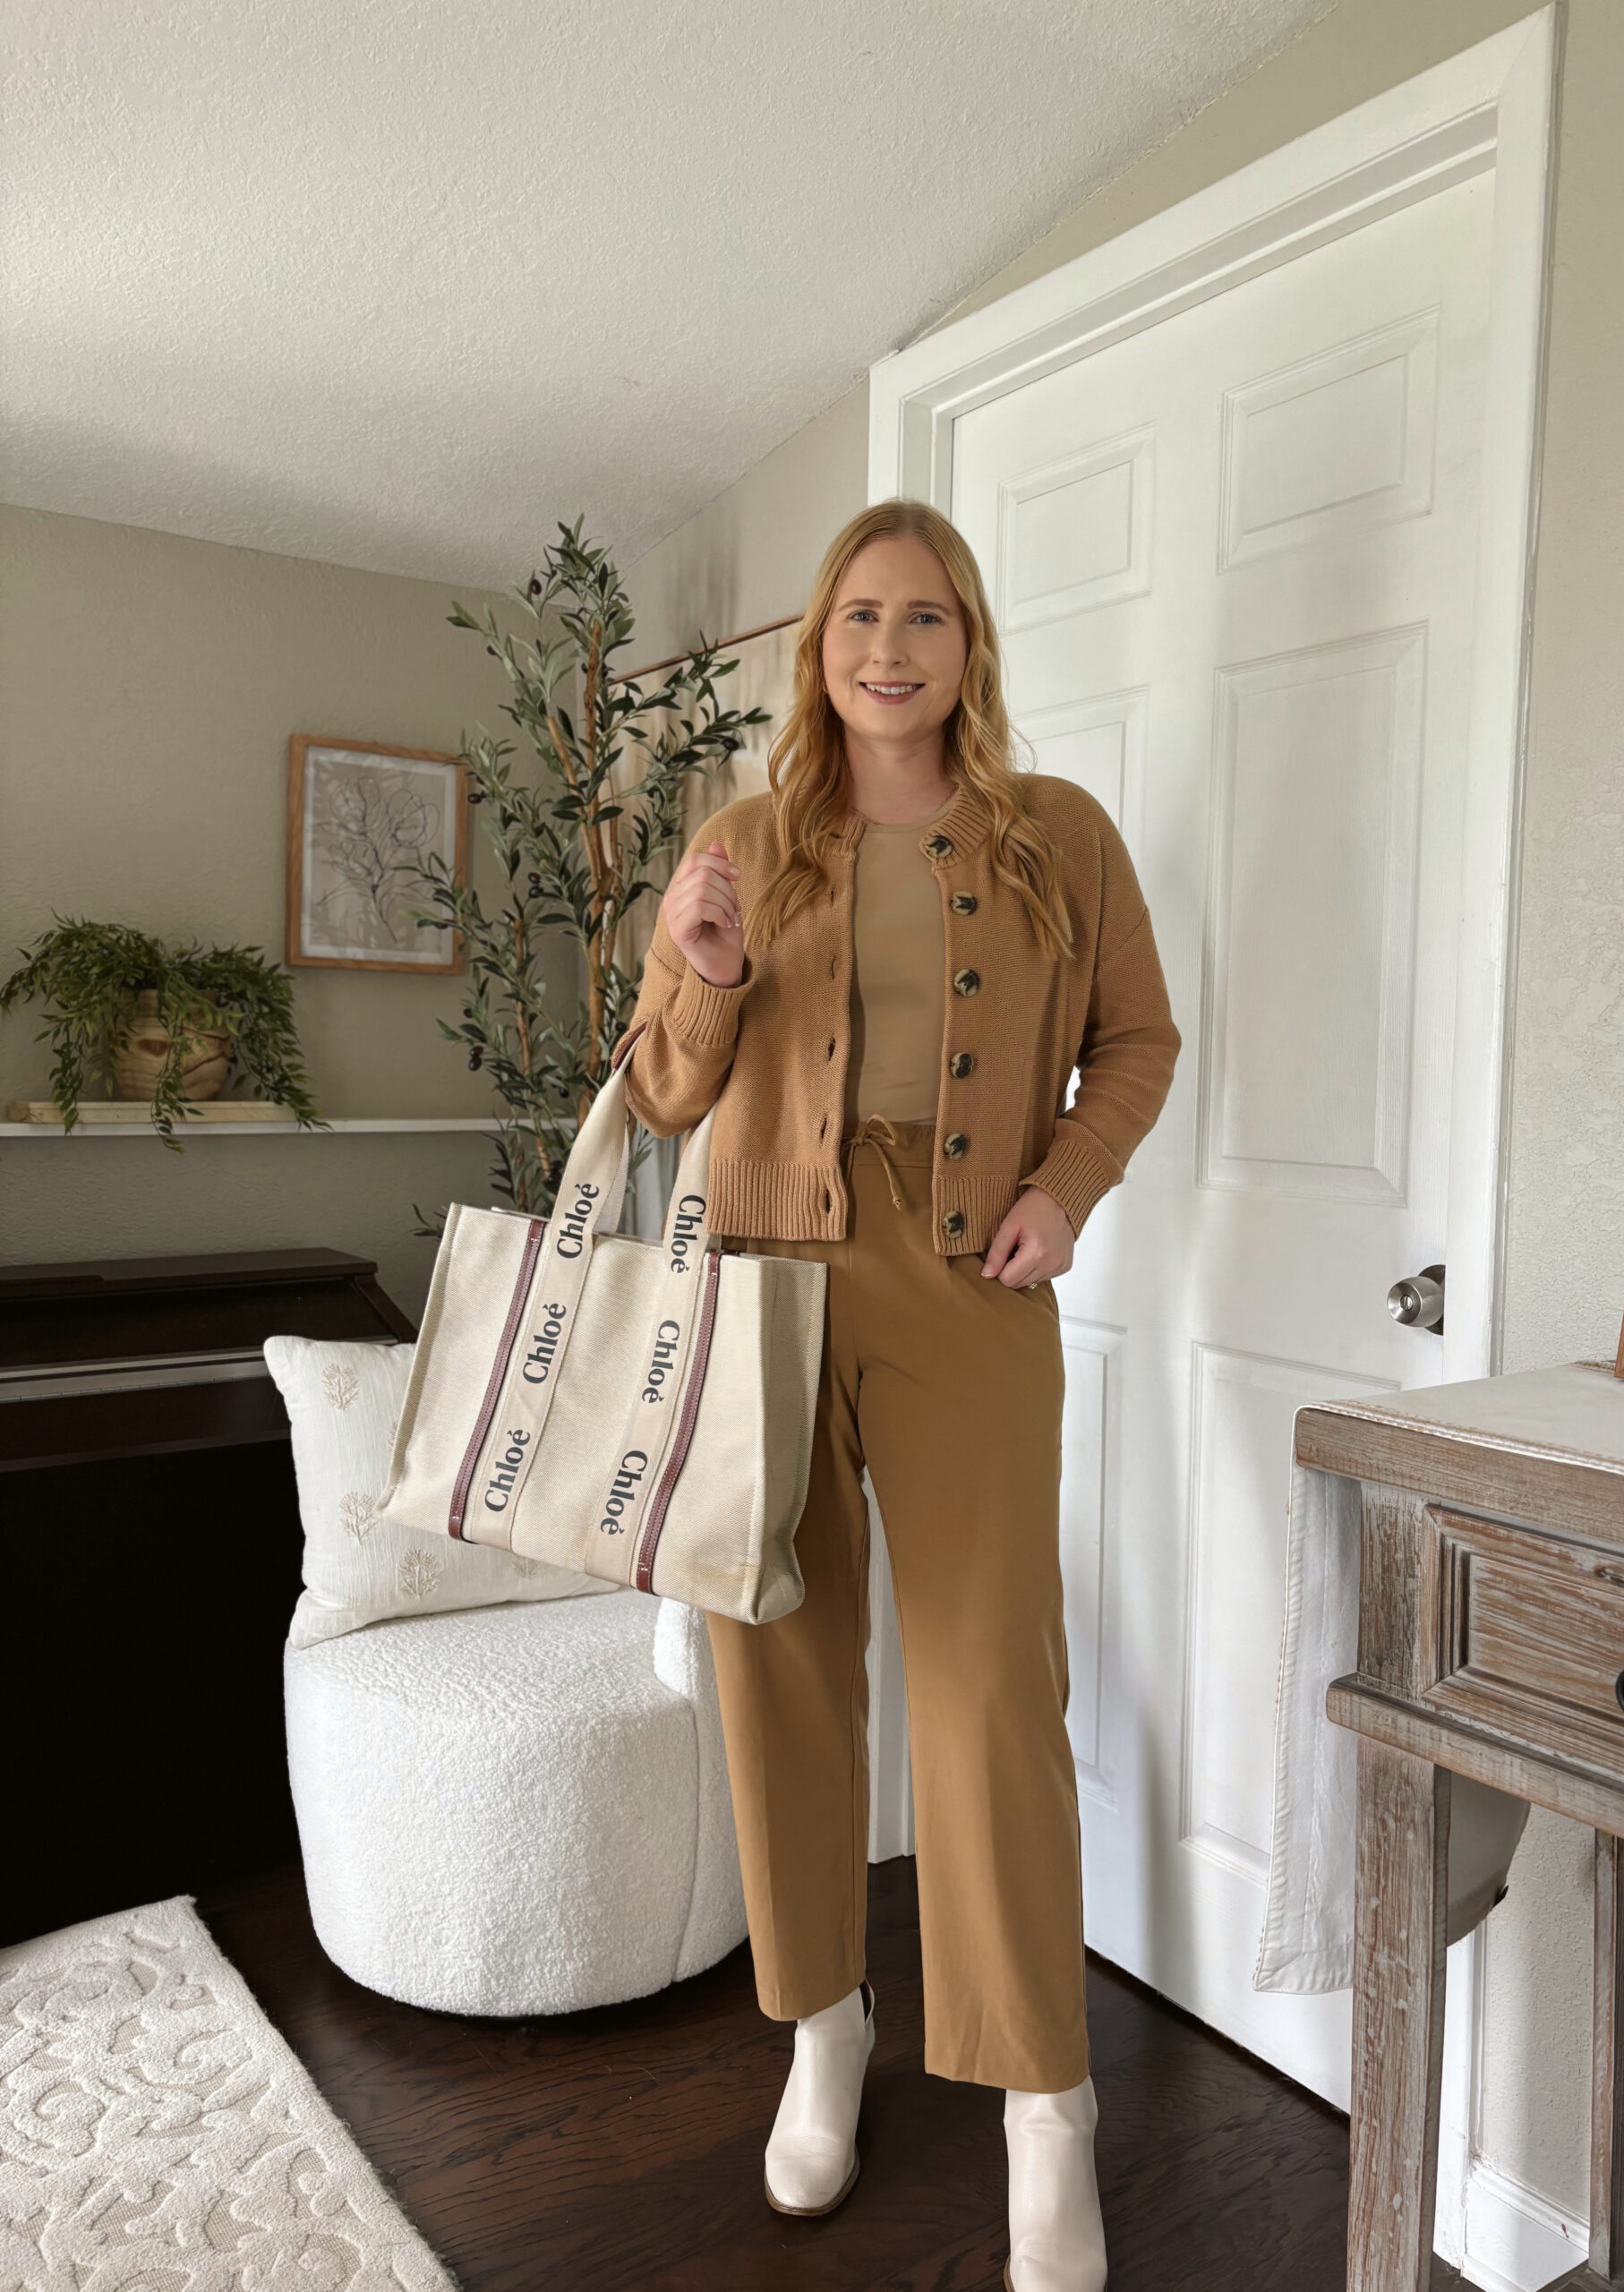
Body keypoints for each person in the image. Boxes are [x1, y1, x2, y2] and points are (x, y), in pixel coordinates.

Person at [610, 497, 1180, 2292]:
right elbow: (656, 1092)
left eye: (924, 614)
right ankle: (825, 2024)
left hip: (969, 1285)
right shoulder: (744, 837)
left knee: (992, 1678)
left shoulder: (1056, 838)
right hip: (768, 1276)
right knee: (775, 1659)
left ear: (967, 643)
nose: (888, 644)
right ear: (820, 641)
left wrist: (1063, 1182)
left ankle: (1042, 2096)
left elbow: (1142, 1036)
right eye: (860, 612)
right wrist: (699, 970)